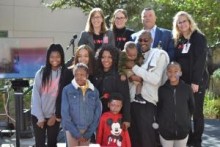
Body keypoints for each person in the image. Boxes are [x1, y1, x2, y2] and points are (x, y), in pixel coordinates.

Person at [172, 11, 209, 147]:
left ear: (189, 21)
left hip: (196, 82)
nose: (182, 24)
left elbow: (200, 61)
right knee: (184, 112)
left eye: (184, 21)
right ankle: (188, 139)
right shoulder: (179, 40)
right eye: (179, 22)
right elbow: (176, 60)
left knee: (197, 112)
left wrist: (195, 82)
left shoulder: (198, 38)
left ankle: (197, 141)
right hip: (183, 82)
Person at [127, 30, 169, 147]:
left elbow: (155, 79)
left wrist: (134, 68)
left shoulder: (159, 55)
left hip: (147, 103)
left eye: (145, 40)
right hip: (131, 102)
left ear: (151, 41)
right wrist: (131, 76)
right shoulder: (133, 55)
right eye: (139, 40)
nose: (142, 42)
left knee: (147, 140)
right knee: (133, 140)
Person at [31, 44, 65, 147]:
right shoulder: (40, 73)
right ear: (48, 58)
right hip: (38, 116)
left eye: (57, 56)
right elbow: (35, 96)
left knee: (52, 143)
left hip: (54, 116)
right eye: (52, 57)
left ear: (62, 57)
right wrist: (40, 118)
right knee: (40, 144)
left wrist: (55, 116)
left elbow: (64, 98)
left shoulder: (64, 73)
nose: (55, 59)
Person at [61, 63, 102, 146]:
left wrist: (89, 132)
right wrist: (76, 133)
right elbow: (65, 113)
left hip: (87, 130)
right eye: (76, 74)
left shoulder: (94, 91)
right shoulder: (67, 90)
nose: (79, 77)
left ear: (87, 75)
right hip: (71, 129)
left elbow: (97, 114)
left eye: (82, 74)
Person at [93, 45, 131, 131]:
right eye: (103, 57)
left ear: (115, 58)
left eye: (110, 57)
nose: (106, 60)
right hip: (98, 117)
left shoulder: (120, 75)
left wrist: (126, 119)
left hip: (115, 118)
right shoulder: (96, 74)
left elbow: (126, 97)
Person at [157, 61, 195, 147]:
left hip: (182, 132)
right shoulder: (161, 90)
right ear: (167, 73)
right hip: (165, 132)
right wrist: (162, 125)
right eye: (170, 71)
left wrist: (186, 123)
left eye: (176, 71)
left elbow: (191, 107)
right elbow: (159, 109)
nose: (172, 73)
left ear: (180, 72)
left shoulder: (187, 89)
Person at [55, 44, 95, 120]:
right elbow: (61, 93)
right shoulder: (68, 72)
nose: (83, 58)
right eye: (80, 56)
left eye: (86, 56)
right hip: (70, 115)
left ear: (90, 57)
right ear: (76, 57)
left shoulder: (93, 73)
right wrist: (58, 113)